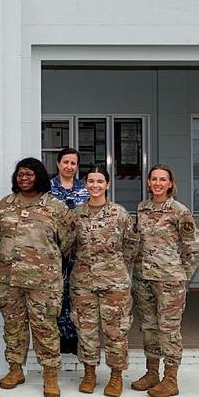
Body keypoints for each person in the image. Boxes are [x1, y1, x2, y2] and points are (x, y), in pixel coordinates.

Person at [0, 157, 75, 397]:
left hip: (43, 283)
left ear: (40, 176)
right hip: (9, 280)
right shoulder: (5, 205)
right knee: (13, 328)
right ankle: (15, 369)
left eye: (29, 174)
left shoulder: (56, 208)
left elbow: (67, 241)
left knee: (45, 328)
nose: (24, 178)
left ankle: (50, 376)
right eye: (20, 174)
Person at [131, 164, 198, 397]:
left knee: (169, 330)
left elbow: (193, 247)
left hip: (169, 281)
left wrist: (182, 276)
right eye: (154, 179)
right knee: (149, 327)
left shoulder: (179, 211)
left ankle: (171, 379)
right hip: (143, 279)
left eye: (163, 179)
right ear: (149, 183)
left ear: (170, 184)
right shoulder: (142, 208)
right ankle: (152, 373)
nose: (158, 183)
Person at [70, 166, 136, 397]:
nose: (95, 185)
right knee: (85, 329)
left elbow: (131, 245)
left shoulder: (120, 214)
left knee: (116, 331)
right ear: (85, 184)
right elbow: (71, 246)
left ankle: (116, 376)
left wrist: (117, 269)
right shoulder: (77, 215)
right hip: (83, 283)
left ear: (107, 185)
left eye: (100, 181)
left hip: (114, 283)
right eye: (91, 181)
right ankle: (89, 373)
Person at [49, 147, 88, 355]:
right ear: (58, 163)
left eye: (73, 163)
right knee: (56, 293)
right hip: (54, 250)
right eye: (65, 162)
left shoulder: (85, 188)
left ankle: (73, 337)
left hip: (80, 251)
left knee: (76, 294)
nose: (69, 166)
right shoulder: (48, 187)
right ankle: (58, 336)